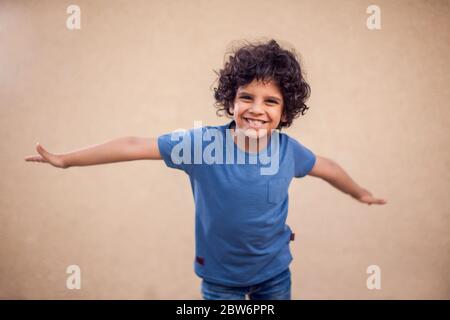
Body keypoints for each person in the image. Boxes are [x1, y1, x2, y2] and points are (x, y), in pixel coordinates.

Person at [24, 39, 387, 300]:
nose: (257, 109)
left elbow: (328, 167)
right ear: (230, 99)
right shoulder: (200, 147)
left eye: (271, 101)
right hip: (220, 280)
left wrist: (360, 193)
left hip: (275, 274)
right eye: (247, 97)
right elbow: (134, 144)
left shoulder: (288, 151)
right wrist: (65, 159)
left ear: (285, 112)